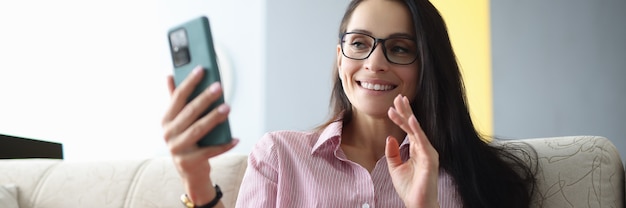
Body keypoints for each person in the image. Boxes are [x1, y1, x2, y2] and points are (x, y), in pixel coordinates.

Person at [162, 0, 536, 207]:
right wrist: (196, 182)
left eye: (400, 48)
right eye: (359, 43)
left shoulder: (468, 180)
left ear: (427, 66)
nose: (374, 62)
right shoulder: (279, 156)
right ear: (340, 59)